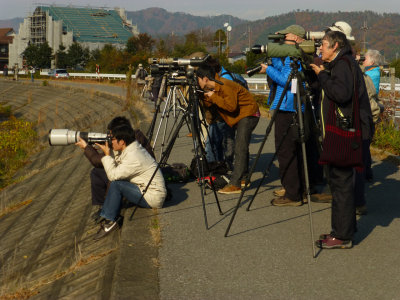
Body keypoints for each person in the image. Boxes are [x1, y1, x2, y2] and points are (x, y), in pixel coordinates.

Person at [310, 31, 373, 249]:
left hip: (344, 135)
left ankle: (343, 236)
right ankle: (341, 230)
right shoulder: (342, 63)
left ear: (336, 46)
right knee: (339, 185)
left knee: (342, 185)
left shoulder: (343, 65)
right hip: (343, 133)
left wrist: (322, 76)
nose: (321, 50)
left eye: (324, 45)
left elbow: (341, 94)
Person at [260, 24, 307, 207]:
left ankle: (293, 195)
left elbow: (285, 80)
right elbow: (284, 73)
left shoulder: (295, 55)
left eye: (285, 37)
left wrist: (268, 69)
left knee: (286, 151)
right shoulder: (292, 55)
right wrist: (274, 60)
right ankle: (294, 189)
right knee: (291, 151)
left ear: (295, 38)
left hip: (288, 108)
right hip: (289, 106)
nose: (282, 41)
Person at [93, 124, 166, 240]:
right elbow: (118, 162)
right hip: (146, 189)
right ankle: (107, 212)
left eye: (112, 139)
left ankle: (110, 221)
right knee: (116, 181)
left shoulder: (134, 157)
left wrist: (107, 154)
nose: (110, 142)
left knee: (117, 184)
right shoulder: (132, 147)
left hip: (153, 196)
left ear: (122, 141)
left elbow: (113, 176)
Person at [75, 116, 154, 221]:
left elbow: (106, 168)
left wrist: (86, 148)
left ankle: (109, 210)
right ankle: (103, 206)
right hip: (132, 173)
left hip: (139, 179)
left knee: (112, 179)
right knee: (97, 172)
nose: (109, 136)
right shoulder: (124, 139)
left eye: (112, 135)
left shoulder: (133, 141)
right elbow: (101, 162)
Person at [196, 64, 260, 194]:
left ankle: (235, 184)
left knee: (240, 147)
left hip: (249, 114)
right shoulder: (215, 86)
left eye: (197, 79)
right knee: (242, 146)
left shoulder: (225, 84)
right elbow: (210, 103)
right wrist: (202, 95)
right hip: (242, 116)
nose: (196, 82)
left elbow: (231, 107)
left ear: (205, 78)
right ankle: (244, 177)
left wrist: (212, 96)